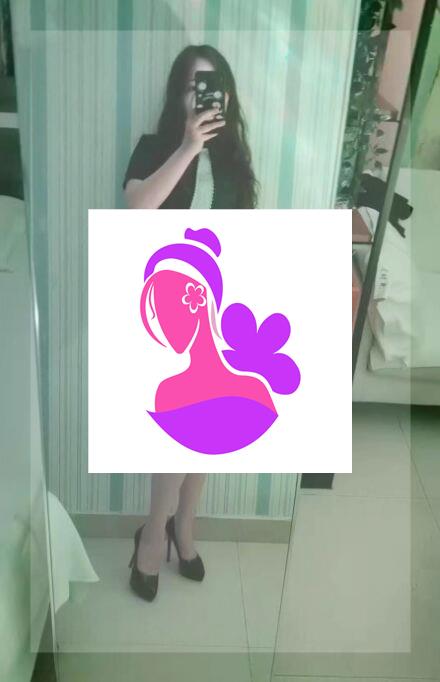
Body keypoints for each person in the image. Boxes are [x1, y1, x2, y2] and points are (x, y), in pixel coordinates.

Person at [123, 44, 258, 602]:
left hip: (218, 308)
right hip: (163, 307)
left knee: (216, 426)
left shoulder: (236, 159)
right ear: (178, 96)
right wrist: (187, 147)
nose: (203, 96)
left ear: (226, 95)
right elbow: (134, 209)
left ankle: (183, 527)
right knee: (180, 429)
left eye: (213, 85)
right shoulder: (155, 147)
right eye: (192, 86)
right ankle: (157, 532)